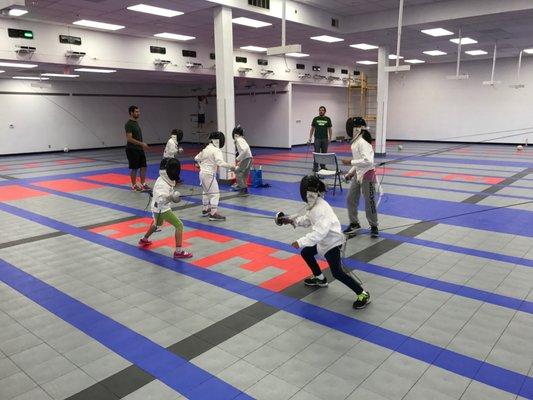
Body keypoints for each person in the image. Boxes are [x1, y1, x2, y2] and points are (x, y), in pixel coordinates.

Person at [278, 175, 370, 309]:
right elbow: (308, 220)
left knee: (337, 273)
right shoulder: (314, 204)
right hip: (323, 241)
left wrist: (300, 241)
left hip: (332, 243)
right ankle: (320, 278)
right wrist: (292, 220)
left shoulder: (321, 208)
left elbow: (319, 233)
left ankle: (362, 294)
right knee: (306, 253)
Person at [138, 158, 192, 259]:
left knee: (157, 224)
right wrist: (170, 197)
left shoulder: (162, 178)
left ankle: (144, 239)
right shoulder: (162, 183)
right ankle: (178, 251)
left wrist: (171, 195)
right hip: (162, 209)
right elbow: (160, 198)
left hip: (157, 208)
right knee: (179, 225)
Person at [342, 119, 379, 238]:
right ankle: (354, 224)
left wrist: (350, 161)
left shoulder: (362, 141)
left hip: (367, 175)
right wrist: (350, 173)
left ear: (357, 128)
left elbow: (368, 161)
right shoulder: (356, 141)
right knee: (350, 199)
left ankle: (374, 226)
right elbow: (359, 162)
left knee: (370, 203)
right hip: (358, 174)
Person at [194, 131, 235, 221]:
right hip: (209, 175)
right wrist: (231, 167)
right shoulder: (216, 150)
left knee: (206, 191)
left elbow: (196, 158)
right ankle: (213, 213)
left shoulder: (206, 149)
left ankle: (205, 209)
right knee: (215, 194)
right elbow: (220, 162)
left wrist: (199, 164)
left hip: (202, 174)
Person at [125, 105, 149, 191]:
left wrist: (141, 146)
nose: (138, 113)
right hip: (132, 149)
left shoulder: (136, 123)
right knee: (134, 168)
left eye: (138, 111)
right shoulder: (129, 124)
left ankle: (143, 183)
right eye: (136, 112)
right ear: (131, 113)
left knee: (143, 166)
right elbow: (129, 139)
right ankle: (134, 185)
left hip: (139, 149)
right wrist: (142, 144)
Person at [308, 106, 332, 172]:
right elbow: (312, 129)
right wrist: (310, 138)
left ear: (325, 111)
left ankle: (323, 167)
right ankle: (315, 167)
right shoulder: (315, 119)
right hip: (317, 139)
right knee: (316, 153)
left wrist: (330, 138)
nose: (321, 111)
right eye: (320, 110)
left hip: (325, 139)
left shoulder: (328, 119)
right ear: (319, 111)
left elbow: (330, 129)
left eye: (322, 110)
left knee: (324, 154)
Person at [232, 125, 253, 196]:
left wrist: (237, 159)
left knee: (238, 172)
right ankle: (244, 188)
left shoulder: (238, 139)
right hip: (249, 157)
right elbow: (245, 150)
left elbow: (244, 150)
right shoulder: (242, 139)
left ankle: (243, 189)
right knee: (244, 175)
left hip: (246, 158)